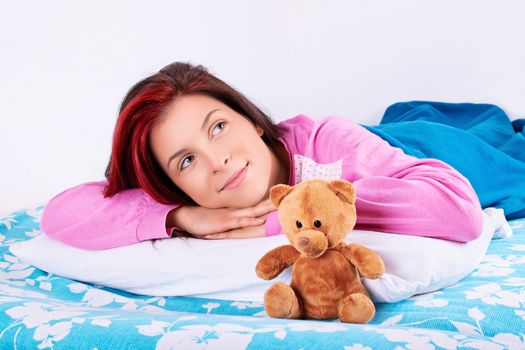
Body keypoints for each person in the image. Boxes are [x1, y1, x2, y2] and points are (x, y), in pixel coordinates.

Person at [40, 61, 486, 250]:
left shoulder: (327, 144)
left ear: (250, 119)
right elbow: (58, 214)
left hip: (425, 148)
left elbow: (458, 209)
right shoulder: (188, 203)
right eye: (186, 161)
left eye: (218, 127)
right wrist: (179, 218)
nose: (217, 160)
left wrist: (287, 218)